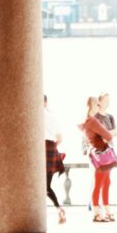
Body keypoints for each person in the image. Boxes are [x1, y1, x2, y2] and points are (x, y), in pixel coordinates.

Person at [83, 96, 117, 222]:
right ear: (92, 106)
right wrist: (108, 134)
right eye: (97, 104)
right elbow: (108, 135)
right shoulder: (93, 121)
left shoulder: (87, 120)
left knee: (106, 182)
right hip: (100, 154)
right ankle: (97, 213)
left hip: (99, 153)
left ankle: (105, 211)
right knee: (99, 183)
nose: (99, 106)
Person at [43, 95, 67, 224]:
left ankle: (59, 209)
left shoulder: (35, 115)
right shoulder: (53, 117)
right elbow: (60, 139)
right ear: (46, 102)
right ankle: (59, 209)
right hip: (51, 149)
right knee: (46, 185)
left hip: (39, 149)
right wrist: (52, 147)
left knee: (43, 186)